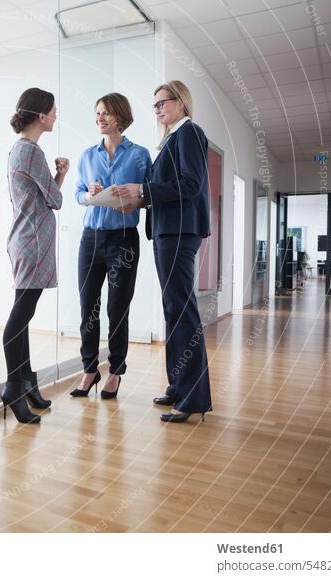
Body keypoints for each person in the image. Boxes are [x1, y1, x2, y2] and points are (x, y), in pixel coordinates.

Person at [113, 80, 213, 423]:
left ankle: (193, 398)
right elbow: (169, 189)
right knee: (173, 310)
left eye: (162, 103)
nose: (157, 109)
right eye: (154, 105)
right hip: (167, 231)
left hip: (179, 232)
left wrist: (144, 188)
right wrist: (139, 202)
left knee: (182, 311)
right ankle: (178, 386)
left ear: (181, 103)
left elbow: (191, 184)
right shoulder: (172, 138)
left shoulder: (188, 133)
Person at [69, 93, 151, 400]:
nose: (99, 118)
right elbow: (77, 194)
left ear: (120, 115)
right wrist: (89, 195)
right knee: (88, 306)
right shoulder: (87, 155)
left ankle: (116, 370)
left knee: (117, 308)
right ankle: (90, 369)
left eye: (105, 113)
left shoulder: (140, 155)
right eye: (97, 113)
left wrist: (135, 203)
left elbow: (148, 196)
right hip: (91, 239)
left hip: (124, 241)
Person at [3, 87, 69, 424]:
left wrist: (56, 178)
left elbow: (46, 197)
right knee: (19, 318)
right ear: (40, 116)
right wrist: (61, 176)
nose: (56, 115)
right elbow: (55, 201)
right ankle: (13, 386)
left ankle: (26, 381)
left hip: (26, 241)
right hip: (33, 243)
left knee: (23, 316)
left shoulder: (21, 150)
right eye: (53, 111)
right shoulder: (31, 152)